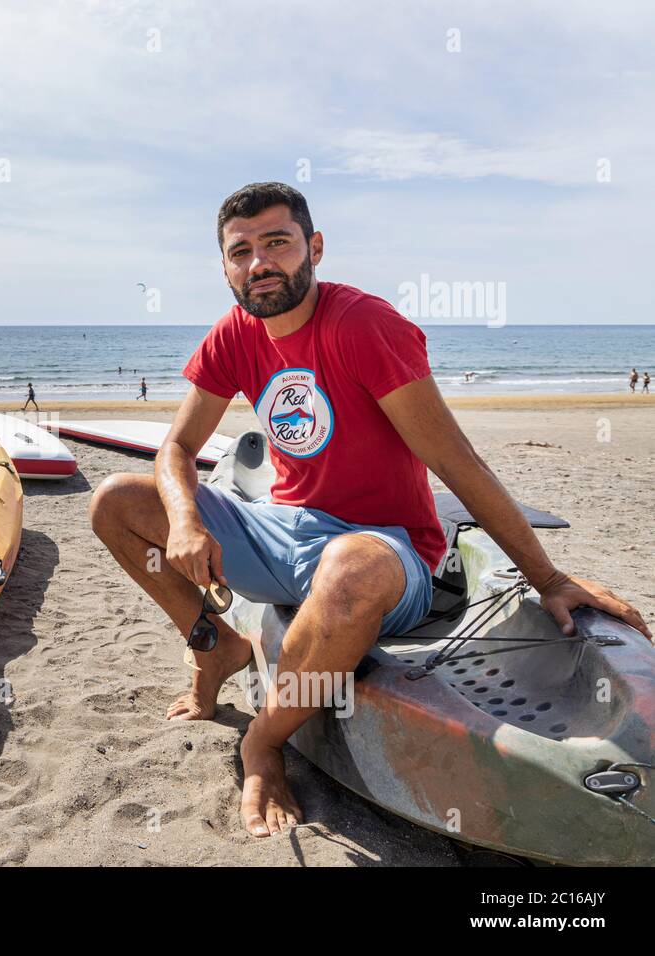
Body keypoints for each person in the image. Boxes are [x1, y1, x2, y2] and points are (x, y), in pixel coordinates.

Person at [88, 182, 650, 840]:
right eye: (241, 252)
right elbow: (178, 448)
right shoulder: (235, 334)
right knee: (115, 502)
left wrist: (548, 579)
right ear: (225, 267)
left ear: (314, 249)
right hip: (282, 531)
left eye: (277, 243)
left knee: (350, 568)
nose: (259, 263)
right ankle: (215, 647)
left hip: (384, 549)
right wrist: (184, 520)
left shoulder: (366, 326)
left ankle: (262, 744)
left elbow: (457, 461)